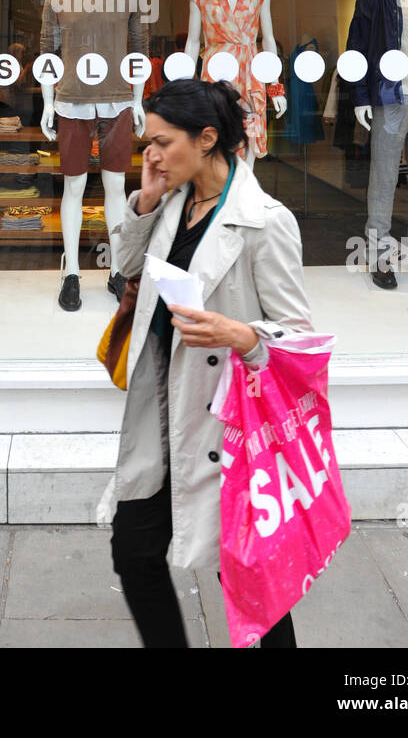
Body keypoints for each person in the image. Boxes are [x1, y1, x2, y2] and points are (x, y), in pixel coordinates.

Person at [102, 77, 314, 648]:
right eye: (147, 141)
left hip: (227, 428)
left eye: (162, 142)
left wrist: (240, 334)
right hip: (163, 412)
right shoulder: (171, 200)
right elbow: (125, 267)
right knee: (135, 550)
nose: (150, 153)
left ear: (207, 139)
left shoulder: (264, 221)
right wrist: (144, 200)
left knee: (248, 579)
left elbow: (299, 339)